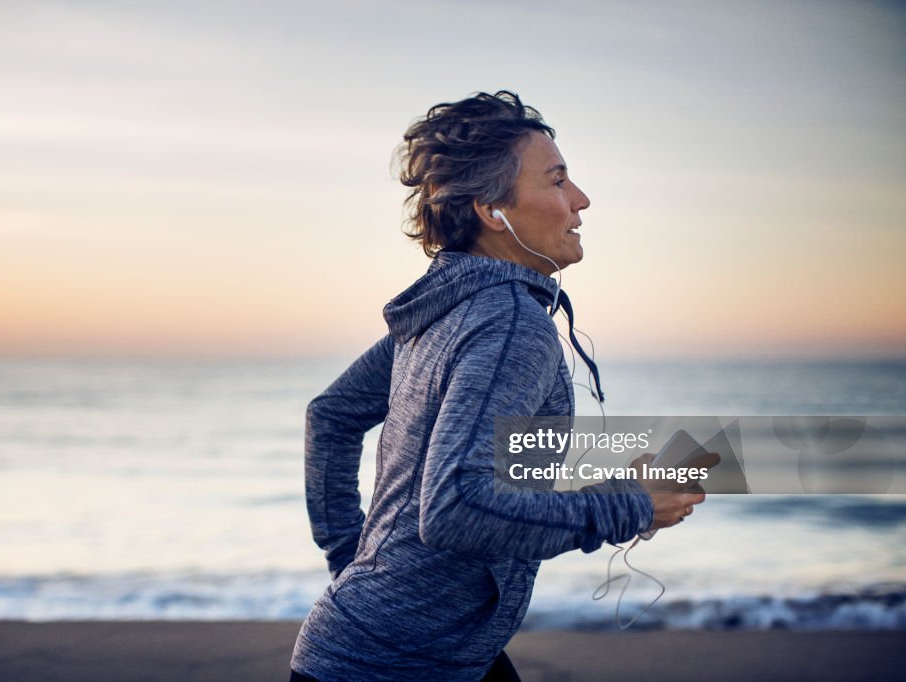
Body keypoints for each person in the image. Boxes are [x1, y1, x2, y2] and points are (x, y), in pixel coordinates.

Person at [289, 91, 707, 681]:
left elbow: (333, 417)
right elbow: (455, 507)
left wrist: (356, 566)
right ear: (492, 209)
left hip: (421, 648)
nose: (581, 201)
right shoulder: (510, 323)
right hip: (392, 666)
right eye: (558, 181)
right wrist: (630, 504)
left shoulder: (449, 310)